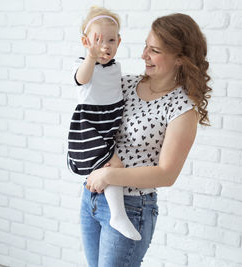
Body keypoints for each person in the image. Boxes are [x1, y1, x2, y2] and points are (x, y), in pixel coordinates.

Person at [81, 13, 212, 266]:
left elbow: (166, 174)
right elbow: (87, 102)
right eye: (145, 46)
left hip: (132, 207)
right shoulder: (125, 84)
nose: (143, 55)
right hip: (92, 197)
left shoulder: (181, 108)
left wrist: (108, 176)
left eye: (154, 50)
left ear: (180, 59)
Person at [67, 6, 142, 241]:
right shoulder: (85, 65)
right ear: (85, 42)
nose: (105, 46)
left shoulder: (115, 66)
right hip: (90, 126)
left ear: (119, 42)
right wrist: (90, 56)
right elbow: (82, 78)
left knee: (108, 167)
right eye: (98, 40)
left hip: (108, 125)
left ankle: (115, 213)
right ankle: (118, 214)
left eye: (111, 40)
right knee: (114, 165)